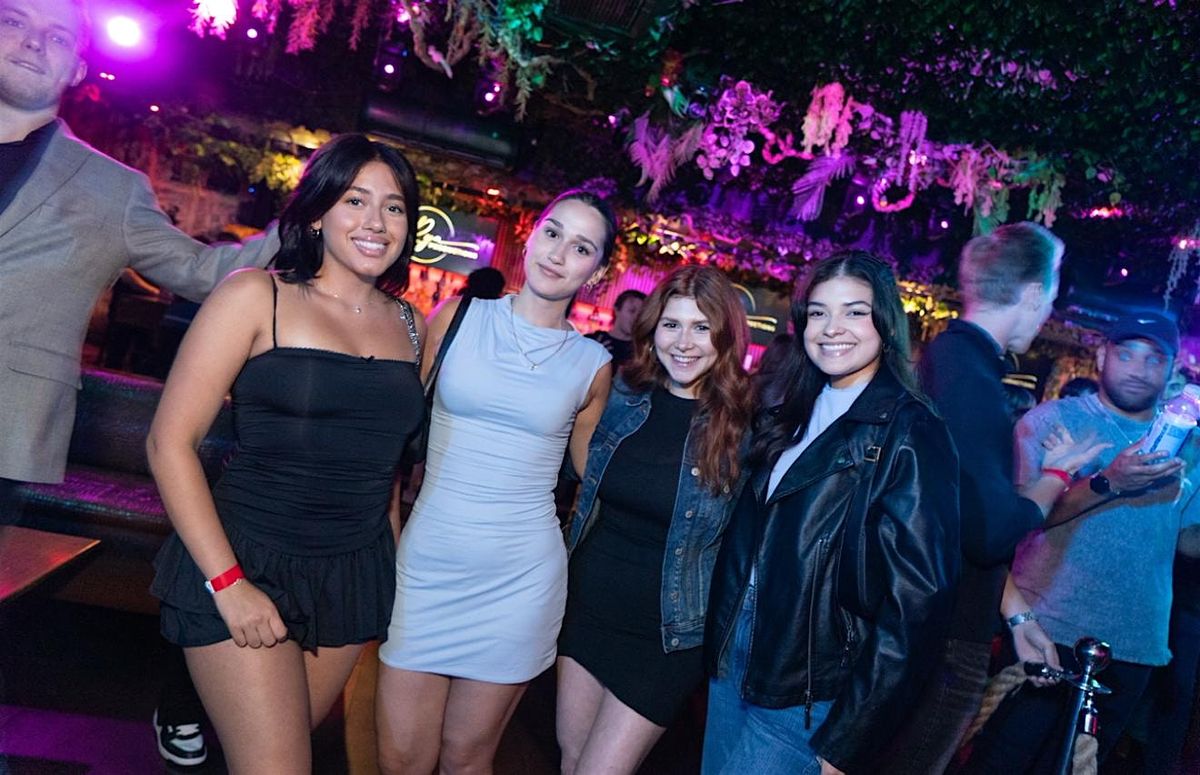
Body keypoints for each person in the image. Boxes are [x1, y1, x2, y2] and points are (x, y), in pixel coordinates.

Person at [0, 0, 279, 766]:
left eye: (58, 35)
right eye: (15, 22)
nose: (34, 43)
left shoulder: (110, 188)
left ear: (78, 67)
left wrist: (308, 218)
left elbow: (205, 271)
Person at [146, 133, 425, 774]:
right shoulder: (256, 295)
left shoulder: (411, 325)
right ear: (319, 211)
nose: (376, 221)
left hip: (350, 576)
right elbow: (169, 443)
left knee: (278, 756)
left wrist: (388, 576)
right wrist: (228, 584)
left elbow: (386, 469)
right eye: (355, 200)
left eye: (394, 207)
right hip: (247, 557)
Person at [375, 189, 616, 775]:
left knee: (466, 759)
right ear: (531, 236)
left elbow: (596, 476)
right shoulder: (458, 317)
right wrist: (386, 532)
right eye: (553, 233)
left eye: (581, 247)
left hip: (520, 581)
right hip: (427, 565)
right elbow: (392, 436)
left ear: (597, 272)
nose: (558, 253)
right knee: (401, 759)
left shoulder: (592, 364)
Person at [702, 251, 961, 774]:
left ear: (885, 322)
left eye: (854, 311)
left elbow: (916, 603)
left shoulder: (911, 431)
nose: (832, 328)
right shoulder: (789, 408)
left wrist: (849, 737)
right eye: (818, 312)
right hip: (736, 653)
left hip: (809, 683)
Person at [885, 222, 1103, 775]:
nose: (1048, 311)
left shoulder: (957, 360)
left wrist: (1017, 617)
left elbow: (963, 512)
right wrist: (1056, 475)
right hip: (941, 637)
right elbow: (987, 532)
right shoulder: (968, 375)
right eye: (1049, 296)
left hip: (941, 622)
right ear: (1030, 293)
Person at [964, 311, 1200, 772]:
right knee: (1000, 761)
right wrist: (1109, 482)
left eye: (1154, 358)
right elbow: (1016, 522)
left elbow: (1187, 541)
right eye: (1126, 353)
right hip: (1045, 627)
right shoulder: (1053, 420)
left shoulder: (1191, 445)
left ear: (1172, 370)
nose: (1139, 368)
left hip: (1135, 641)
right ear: (1102, 356)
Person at [556, 265, 754, 774]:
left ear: (725, 336)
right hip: (586, 608)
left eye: (701, 327)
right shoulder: (622, 397)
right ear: (651, 330)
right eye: (671, 325)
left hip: (667, 635)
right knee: (572, 760)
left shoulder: (745, 428)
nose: (683, 343)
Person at [589, 289, 647, 368]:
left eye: (640, 314)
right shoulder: (594, 341)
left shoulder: (641, 351)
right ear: (616, 310)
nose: (636, 318)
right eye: (632, 311)